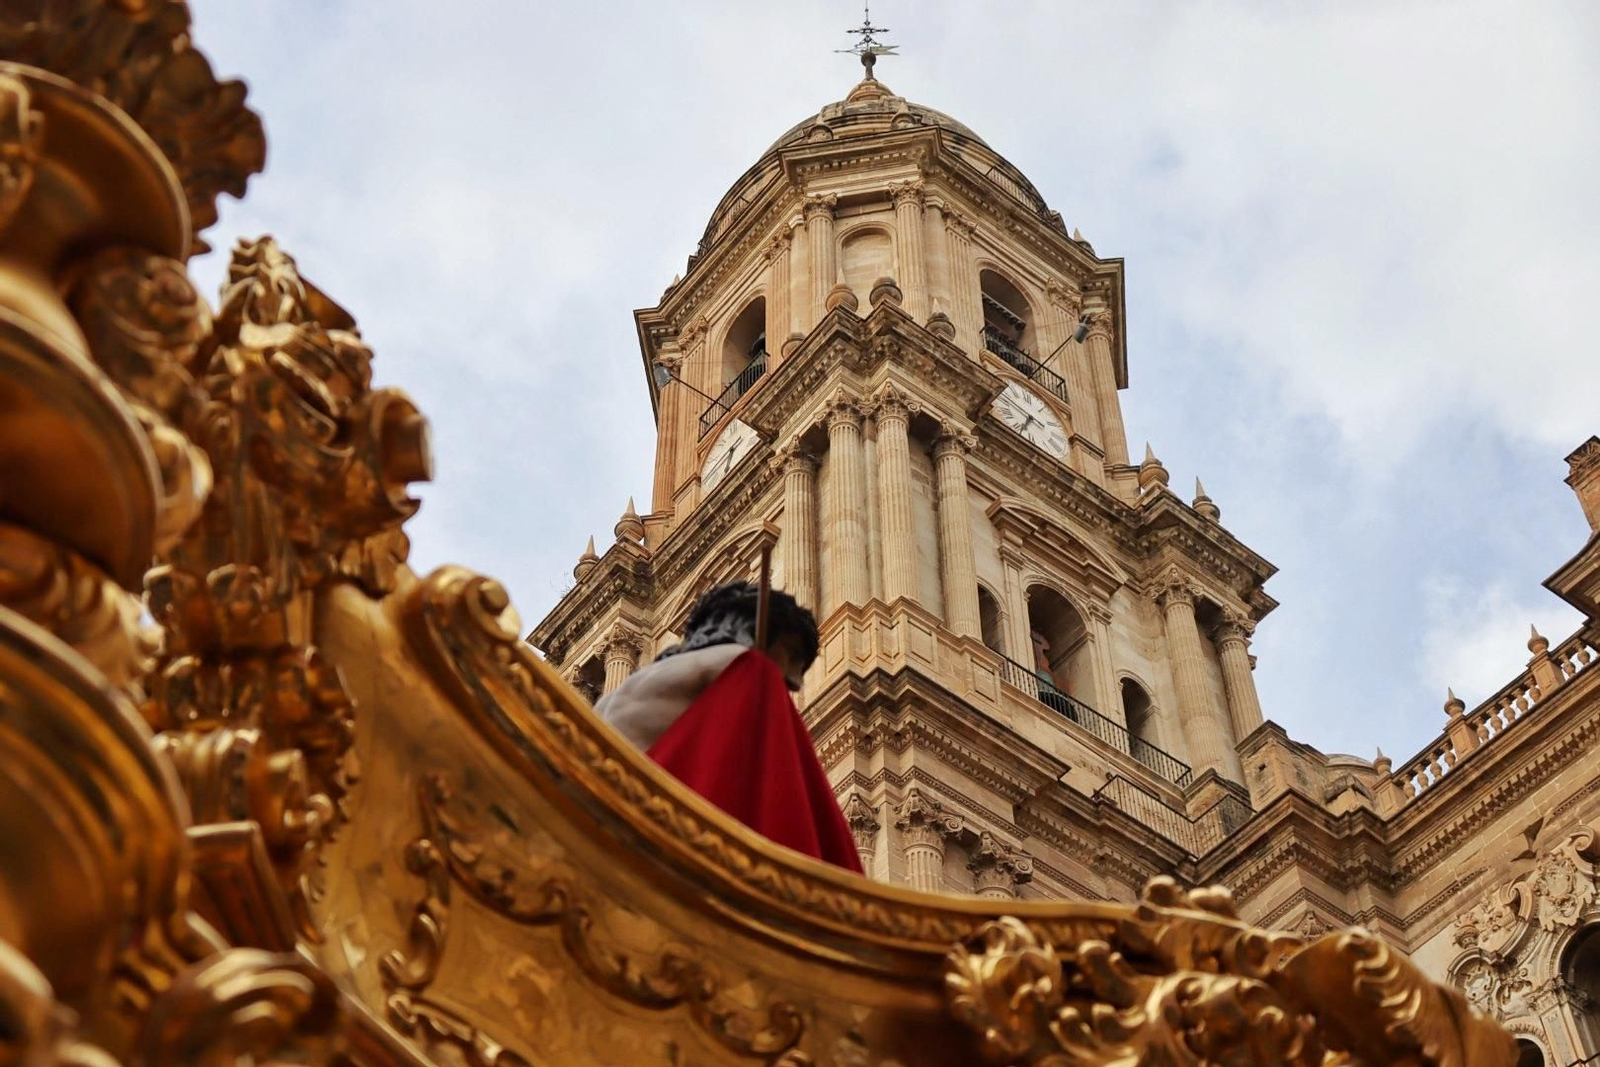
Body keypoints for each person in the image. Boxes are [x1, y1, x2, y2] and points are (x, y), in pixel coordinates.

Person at [595, 581, 862, 873]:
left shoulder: (631, 687)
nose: (796, 680)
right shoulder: (748, 670)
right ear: (759, 631)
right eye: (793, 655)